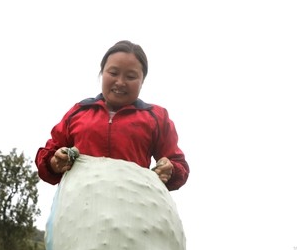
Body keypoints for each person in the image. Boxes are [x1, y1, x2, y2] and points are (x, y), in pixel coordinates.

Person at [35, 39, 189, 191]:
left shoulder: (157, 117)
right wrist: (55, 162)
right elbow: (48, 154)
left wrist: (170, 170)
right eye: (113, 73)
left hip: (134, 207)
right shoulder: (79, 111)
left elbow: (178, 163)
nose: (120, 82)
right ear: (102, 72)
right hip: (79, 206)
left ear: (142, 81)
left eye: (131, 77)